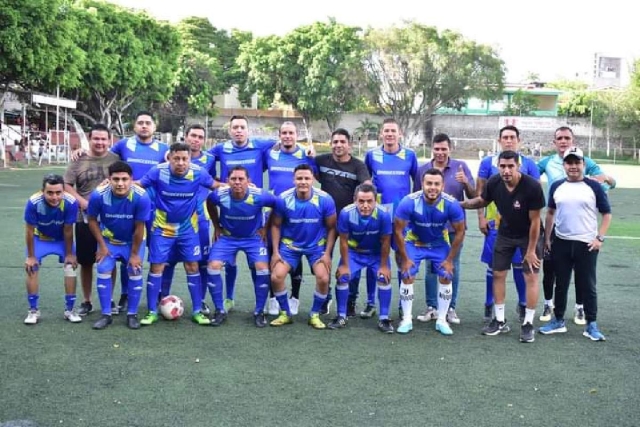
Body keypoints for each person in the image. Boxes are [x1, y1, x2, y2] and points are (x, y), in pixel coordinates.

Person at [462, 150, 545, 343]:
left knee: (531, 276)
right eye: (502, 166)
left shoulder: (532, 186)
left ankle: (528, 324)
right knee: (498, 274)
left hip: (528, 236)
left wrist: (532, 250)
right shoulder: (494, 182)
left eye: (510, 166)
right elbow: (482, 200)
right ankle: (499, 320)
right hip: (505, 233)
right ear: (498, 166)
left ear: (518, 167)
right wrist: (459, 204)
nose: (506, 170)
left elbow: (535, 222)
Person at [136, 142, 222, 326]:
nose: (181, 163)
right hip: (161, 229)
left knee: (192, 266)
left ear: (190, 159)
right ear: (170, 158)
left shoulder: (198, 172)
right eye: (177, 159)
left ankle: (197, 311)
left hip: (188, 230)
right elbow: (138, 185)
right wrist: (114, 183)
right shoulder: (158, 171)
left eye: (184, 159)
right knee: (157, 267)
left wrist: (237, 185)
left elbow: (216, 185)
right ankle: (152, 311)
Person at [536, 126, 616, 323]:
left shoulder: (585, 163)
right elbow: (529, 175)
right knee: (553, 272)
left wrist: (603, 180)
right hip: (557, 226)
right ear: (554, 142)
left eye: (567, 138)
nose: (563, 141)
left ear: (573, 141)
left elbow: (609, 182)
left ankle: (581, 310)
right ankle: (550, 307)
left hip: (582, 229)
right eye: (559, 138)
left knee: (584, 277)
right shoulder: (547, 162)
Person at [208, 115, 278, 313]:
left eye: (242, 127)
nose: (238, 130)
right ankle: (228, 299)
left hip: (253, 209)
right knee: (228, 263)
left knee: (257, 265)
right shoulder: (221, 149)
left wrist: (308, 150)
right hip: (229, 208)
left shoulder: (260, 145)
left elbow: (283, 141)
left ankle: (259, 307)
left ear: (248, 130)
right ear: (230, 130)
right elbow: (201, 157)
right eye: (235, 127)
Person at [476, 125, 540, 322]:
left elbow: (535, 200)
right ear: (499, 140)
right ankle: (490, 305)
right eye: (505, 137)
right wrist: (481, 217)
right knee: (494, 268)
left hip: (523, 228)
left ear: (518, 140)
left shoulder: (529, 164)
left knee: (524, 267)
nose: (509, 140)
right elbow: (481, 194)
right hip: (496, 227)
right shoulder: (487, 162)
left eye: (512, 137)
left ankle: (523, 305)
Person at [413, 133, 475, 325]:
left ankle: (450, 308)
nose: (440, 153)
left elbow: (474, 196)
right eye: (437, 149)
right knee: (432, 267)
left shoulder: (460, 167)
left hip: (454, 228)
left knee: (452, 266)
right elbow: (415, 197)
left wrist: (465, 182)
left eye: (444, 149)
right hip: (430, 228)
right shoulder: (423, 169)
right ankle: (432, 306)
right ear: (432, 149)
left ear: (450, 149)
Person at [394, 169, 465, 336]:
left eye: (436, 184)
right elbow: (398, 230)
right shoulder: (409, 202)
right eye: (429, 184)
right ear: (422, 184)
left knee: (447, 275)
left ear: (442, 185)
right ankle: (406, 319)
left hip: (439, 243)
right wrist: (404, 258)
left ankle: (441, 320)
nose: (432, 187)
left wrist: (449, 260)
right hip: (415, 242)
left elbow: (460, 232)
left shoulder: (451, 204)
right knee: (407, 274)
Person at [205, 166, 277, 327]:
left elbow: (276, 205)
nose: (237, 182)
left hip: (253, 238)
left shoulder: (259, 196)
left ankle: (259, 311)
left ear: (248, 181)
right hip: (228, 238)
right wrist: (216, 226)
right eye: (233, 179)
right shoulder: (219, 195)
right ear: (227, 181)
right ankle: (219, 310)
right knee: (213, 266)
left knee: (262, 268)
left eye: (241, 179)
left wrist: (266, 228)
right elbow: (209, 203)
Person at [269, 164, 337, 330]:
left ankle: (314, 314)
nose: (303, 182)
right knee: (276, 277)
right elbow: (276, 225)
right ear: (294, 180)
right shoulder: (283, 199)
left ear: (313, 179)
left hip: (316, 247)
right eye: (299, 178)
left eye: (307, 178)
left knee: (323, 278)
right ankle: (285, 313)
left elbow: (332, 228)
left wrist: (327, 253)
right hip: (290, 246)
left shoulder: (325, 199)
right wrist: (276, 252)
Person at [86, 161, 151, 330]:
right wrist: (102, 246)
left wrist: (135, 255)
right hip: (109, 241)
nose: (120, 183)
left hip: (132, 242)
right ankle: (106, 314)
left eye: (124, 179)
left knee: (135, 271)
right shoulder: (98, 195)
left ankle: (132, 314)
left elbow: (139, 228)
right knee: (103, 269)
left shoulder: (141, 196)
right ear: (109, 179)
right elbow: (92, 220)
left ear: (131, 179)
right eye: (116, 179)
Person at [63, 123, 119, 317]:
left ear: (109, 140)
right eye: (96, 138)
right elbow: (66, 185)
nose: (100, 142)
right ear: (90, 138)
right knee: (86, 261)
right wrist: (82, 202)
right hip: (84, 217)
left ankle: (109, 298)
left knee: (108, 259)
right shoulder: (79, 159)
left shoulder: (115, 159)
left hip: (110, 219)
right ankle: (87, 301)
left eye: (104, 139)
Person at [365, 118, 418, 318]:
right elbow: (366, 183)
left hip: (402, 218)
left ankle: (401, 303)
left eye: (393, 131)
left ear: (399, 134)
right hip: (378, 217)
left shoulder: (410, 155)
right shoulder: (372, 155)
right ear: (381, 134)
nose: (389, 134)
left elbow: (417, 183)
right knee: (375, 258)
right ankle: (371, 302)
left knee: (401, 257)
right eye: (386, 130)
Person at [314, 128, 371, 316]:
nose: (338, 145)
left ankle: (350, 301)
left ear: (350, 145)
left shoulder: (358, 166)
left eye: (342, 142)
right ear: (331, 144)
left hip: (350, 222)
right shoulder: (321, 161)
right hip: (326, 221)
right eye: (335, 142)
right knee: (323, 259)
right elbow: (306, 172)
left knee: (351, 261)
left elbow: (366, 186)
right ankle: (324, 298)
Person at [160, 124, 215, 315]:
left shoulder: (210, 159)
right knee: (167, 261)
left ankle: (200, 301)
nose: (196, 140)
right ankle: (162, 299)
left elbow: (215, 183)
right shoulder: (170, 159)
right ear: (186, 137)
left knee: (201, 262)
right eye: (193, 135)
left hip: (199, 220)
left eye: (200, 137)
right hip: (170, 221)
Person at [264, 121, 316, 316]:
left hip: (298, 212)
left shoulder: (305, 154)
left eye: (291, 133)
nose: (287, 136)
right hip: (275, 211)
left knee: (296, 250)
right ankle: (273, 297)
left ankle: (294, 297)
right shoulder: (270, 154)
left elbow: (315, 175)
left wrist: (313, 158)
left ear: (297, 135)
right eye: (284, 133)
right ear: (279, 135)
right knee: (273, 253)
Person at [329, 183, 394, 333]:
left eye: (369, 201)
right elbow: (343, 241)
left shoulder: (384, 214)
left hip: (376, 253)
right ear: (354, 200)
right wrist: (345, 264)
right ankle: (341, 316)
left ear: (375, 201)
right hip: (354, 253)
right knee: (343, 277)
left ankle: (384, 318)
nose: (365, 205)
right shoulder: (346, 213)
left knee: (384, 278)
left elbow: (385, 242)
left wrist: (384, 266)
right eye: (361, 201)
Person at [23, 174, 81, 324]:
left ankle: (70, 310)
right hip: (40, 238)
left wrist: (69, 254)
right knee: (31, 267)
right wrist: (30, 256)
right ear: (43, 191)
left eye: (58, 193)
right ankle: (33, 310)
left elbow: (68, 229)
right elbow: (29, 231)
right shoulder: (33, 202)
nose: (54, 197)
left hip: (61, 239)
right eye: (50, 193)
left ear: (63, 191)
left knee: (70, 266)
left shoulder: (71, 202)